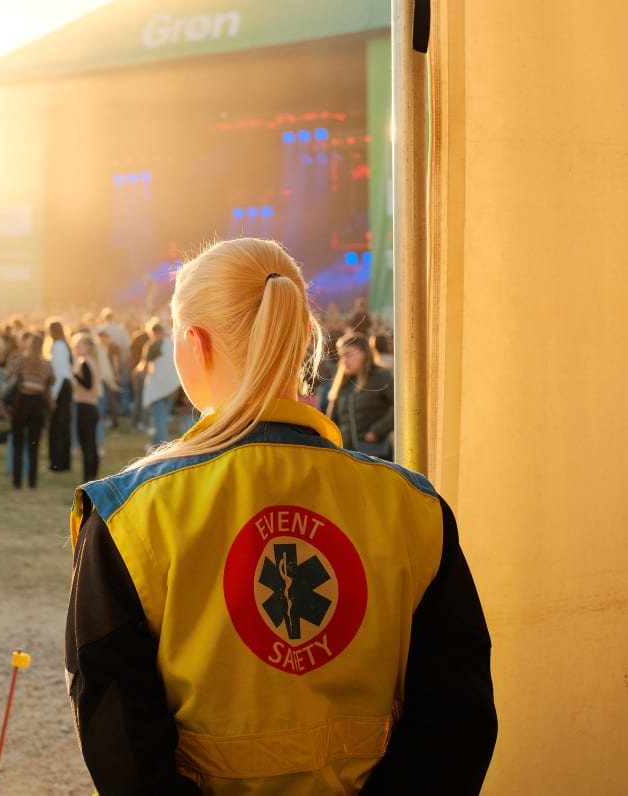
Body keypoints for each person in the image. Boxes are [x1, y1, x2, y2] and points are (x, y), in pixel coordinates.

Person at [65, 238, 497, 795]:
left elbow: (117, 730)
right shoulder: (413, 507)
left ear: (192, 345)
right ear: (300, 340)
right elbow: (457, 716)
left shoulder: (129, 515)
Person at [327, 332, 395, 460]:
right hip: (346, 455)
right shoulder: (343, 383)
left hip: (376, 456)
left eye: (348, 355)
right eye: (341, 356)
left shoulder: (381, 376)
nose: (344, 361)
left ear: (364, 353)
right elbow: (332, 419)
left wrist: (376, 432)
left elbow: (398, 407)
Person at [5, 332, 54, 489]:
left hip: (21, 403)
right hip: (37, 404)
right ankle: (32, 481)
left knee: (18, 443)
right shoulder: (46, 365)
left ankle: (17, 481)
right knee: (34, 444)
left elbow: (8, 377)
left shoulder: (19, 361)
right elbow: (50, 381)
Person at [141, 320, 181, 449]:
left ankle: (164, 446)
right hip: (172, 386)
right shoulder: (172, 344)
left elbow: (145, 366)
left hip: (158, 386)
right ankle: (155, 443)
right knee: (162, 417)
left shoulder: (153, 346)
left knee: (159, 419)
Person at [71, 333, 101, 483]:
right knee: (91, 444)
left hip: (85, 406)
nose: (76, 348)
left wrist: (75, 375)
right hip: (92, 406)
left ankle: (87, 477)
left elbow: (87, 384)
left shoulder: (85, 363)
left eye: (79, 345)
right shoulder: (92, 361)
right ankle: (92, 475)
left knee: (86, 445)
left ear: (87, 347)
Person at [47, 320, 74, 473]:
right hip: (66, 386)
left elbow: (58, 372)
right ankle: (64, 462)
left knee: (57, 427)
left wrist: (53, 394)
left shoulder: (57, 346)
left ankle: (57, 463)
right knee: (64, 427)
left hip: (61, 387)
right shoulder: (64, 345)